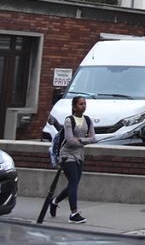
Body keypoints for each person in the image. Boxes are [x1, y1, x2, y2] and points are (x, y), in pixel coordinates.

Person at [49, 96, 96, 224]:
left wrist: (80, 140)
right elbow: (69, 141)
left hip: (80, 155)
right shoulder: (69, 120)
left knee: (73, 184)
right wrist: (84, 140)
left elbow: (93, 138)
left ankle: (54, 201)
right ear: (74, 106)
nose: (83, 106)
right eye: (81, 104)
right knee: (74, 181)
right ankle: (73, 213)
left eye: (84, 104)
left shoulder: (88, 120)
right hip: (67, 155)